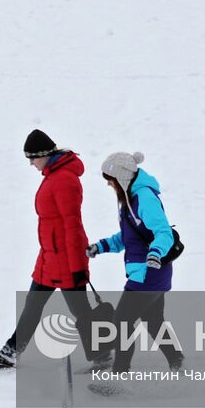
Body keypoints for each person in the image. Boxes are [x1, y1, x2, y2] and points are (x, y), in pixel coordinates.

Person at [0, 129, 109, 369]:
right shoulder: (52, 175)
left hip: (67, 261)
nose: (31, 164)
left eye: (32, 158)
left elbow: (72, 226)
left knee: (82, 312)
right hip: (49, 258)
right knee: (33, 305)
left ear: (45, 154)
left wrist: (78, 268)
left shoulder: (64, 180)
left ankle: (104, 359)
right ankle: (9, 353)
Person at [87, 151, 183, 373]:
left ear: (121, 178)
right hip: (149, 273)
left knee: (122, 322)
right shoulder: (131, 198)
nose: (109, 185)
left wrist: (155, 253)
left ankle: (120, 373)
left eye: (110, 181)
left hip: (148, 272)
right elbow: (128, 237)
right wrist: (100, 247)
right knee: (153, 320)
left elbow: (164, 233)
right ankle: (177, 360)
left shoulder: (145, 198)